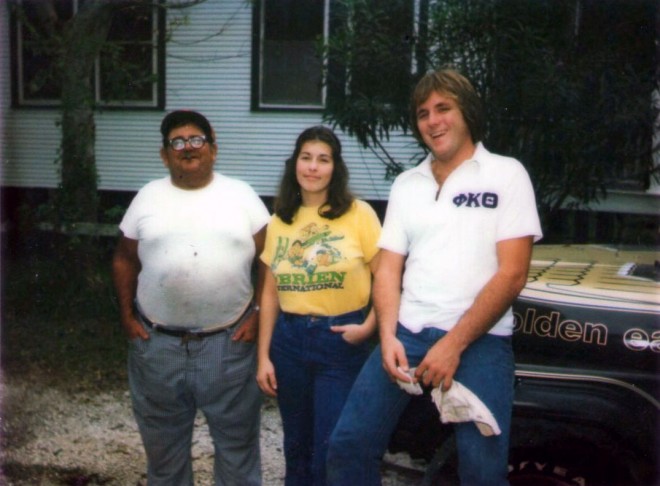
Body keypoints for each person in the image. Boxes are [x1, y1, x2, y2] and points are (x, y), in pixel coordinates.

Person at [326, 68, 543, 485]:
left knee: (482, 471)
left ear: (467, 113)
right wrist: (386, 336)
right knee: (348, 447)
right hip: (405, 335)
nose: (433, 120)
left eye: (444, 108)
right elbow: (388, 267)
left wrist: (453, 344)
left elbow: (513, 273)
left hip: (480, 344)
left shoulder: (506, 174)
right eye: (423, 113)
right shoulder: (408, 184)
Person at [112, 110, 270, 486]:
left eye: (196, 140)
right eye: (177, 142)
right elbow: (123, 259)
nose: (188, 148)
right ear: (165, 154)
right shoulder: (148, 197)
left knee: (237, 453)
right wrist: (126, 316)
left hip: (229, 345)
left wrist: (258, 315)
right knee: (164, 459)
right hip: (158, 347)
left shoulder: (242, 195)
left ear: (213, 148)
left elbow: (271, 261)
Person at [256, 126, 382, 486]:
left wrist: (370, 326)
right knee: (296, 446)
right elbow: (269, 292)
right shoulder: (280, 220)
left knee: (333, 448)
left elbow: (387, 280)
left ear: (335, 168)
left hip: (340, 341)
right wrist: (263, 355)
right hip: (289, 342)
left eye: (323, 160)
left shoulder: (359, 214)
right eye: (306, 158)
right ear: (294, 164)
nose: (313, 167)